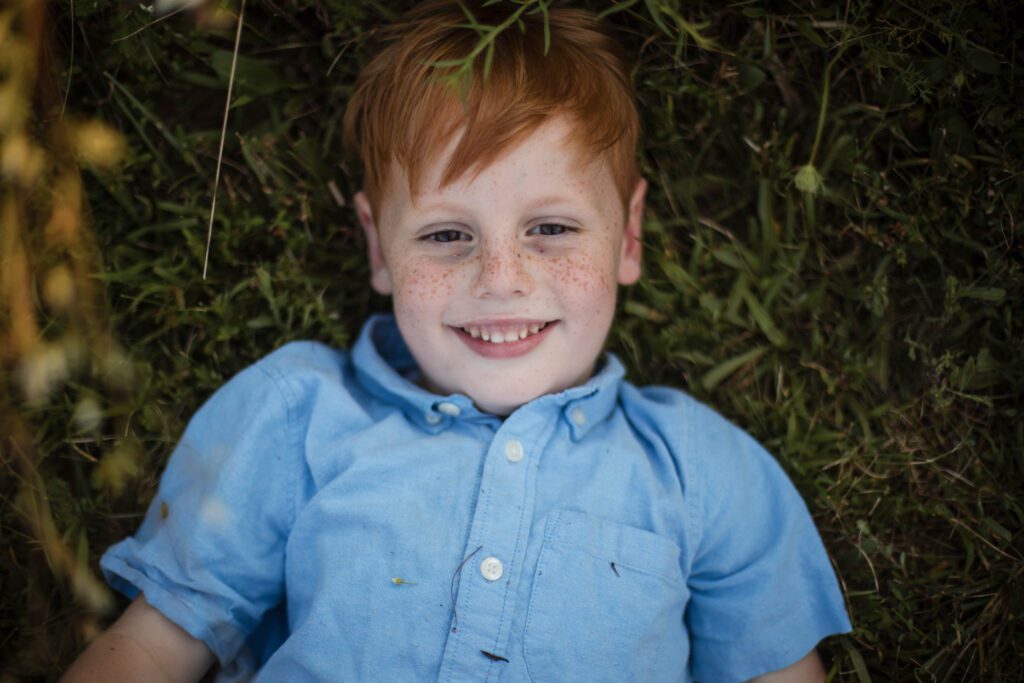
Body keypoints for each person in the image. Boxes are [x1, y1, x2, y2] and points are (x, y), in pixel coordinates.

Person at [64, 1, 851, 681]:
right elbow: (154, 648)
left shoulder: (701, 468)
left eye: (550, 227)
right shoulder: (298, 416)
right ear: (379, 248)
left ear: (629, 236)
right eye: (446, 233)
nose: (501, 277)